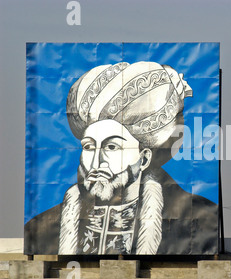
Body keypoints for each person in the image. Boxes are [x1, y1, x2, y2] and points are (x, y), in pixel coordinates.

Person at [24, 61, 218, 255]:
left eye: (112, 146)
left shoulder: (197, 219)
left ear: (144, 159)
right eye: (89, 146)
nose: (97, 161)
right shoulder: (41, 228)